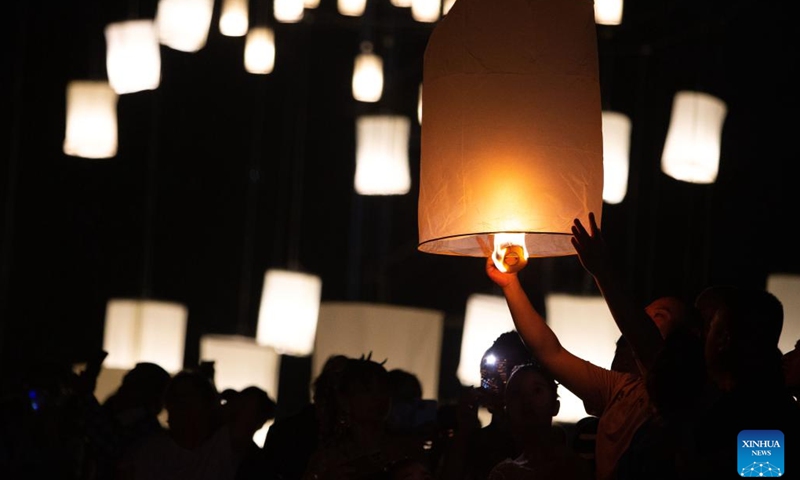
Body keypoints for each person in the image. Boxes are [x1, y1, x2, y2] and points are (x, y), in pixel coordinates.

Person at [438, 331, 534, 480]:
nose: (492, 382)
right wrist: (463, 431)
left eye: (502, 373)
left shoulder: (546, 445)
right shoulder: (474, 441)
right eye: (487, 375)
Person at [487, 363, 591, 480]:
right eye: (516, 393)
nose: (526, 399)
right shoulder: (503, 474)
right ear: (508, 410)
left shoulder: (575, 468)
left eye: (537, 390)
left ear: (555, 406)